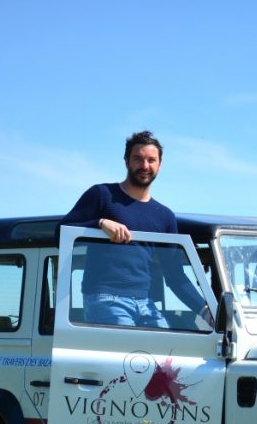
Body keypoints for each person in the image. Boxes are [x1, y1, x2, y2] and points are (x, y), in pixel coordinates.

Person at [59, 131, 210, 328]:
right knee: (130, 354)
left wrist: (206, 310)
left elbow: (175, 276)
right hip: (105, 298)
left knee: (165, 354)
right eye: (137, 158)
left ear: (159, 165)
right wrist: (100, 223)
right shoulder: (102, 195)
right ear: (126, 161)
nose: (144, 166)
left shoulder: (164, 216)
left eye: (151, 160)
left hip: (146, 303)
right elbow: (60, 233)